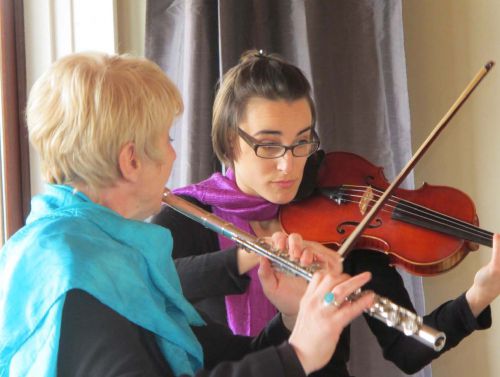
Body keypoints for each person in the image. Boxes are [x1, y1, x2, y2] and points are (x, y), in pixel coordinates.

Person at [0, 52, 375, 377]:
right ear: (131, 161)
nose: (174, 156)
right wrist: (299, 355)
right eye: (168, 139)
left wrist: (293, 319)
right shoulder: (70, 270)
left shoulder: (110, 250)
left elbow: (209, 359)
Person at [151, 50, 500, 376]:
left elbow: (406, 350)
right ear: (230, 141)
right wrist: (251, 255)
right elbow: (155, 278)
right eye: (269, 145)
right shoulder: (187, 214)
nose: (289, 164)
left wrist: (480, 294)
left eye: (302, 141)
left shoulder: (337, 218)